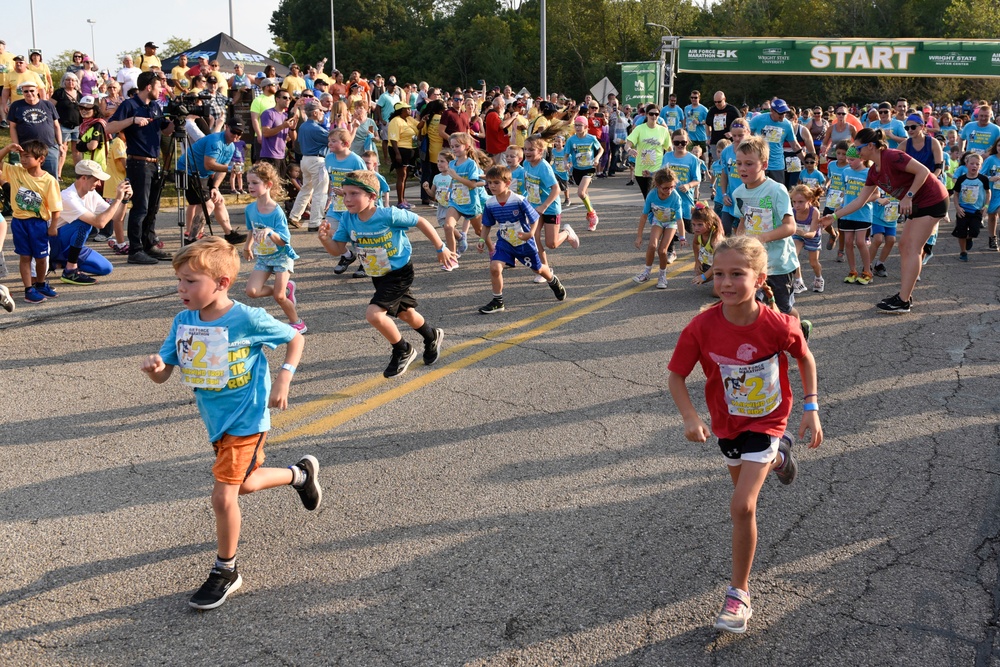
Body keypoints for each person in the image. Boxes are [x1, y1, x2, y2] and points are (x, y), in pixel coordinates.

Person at [140, 236, 320, 611]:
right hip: (216, 422)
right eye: (179, 280)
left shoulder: (246, 318)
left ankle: (226, 570)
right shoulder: (183, 320)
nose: (181, 289)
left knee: (223, 496)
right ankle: (299, 474)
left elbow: (294, 338)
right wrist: (156, 369)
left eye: (191, 281)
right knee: (247, 484)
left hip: (248, 418)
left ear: (221, 283)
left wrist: (284, 377)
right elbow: (165, 374)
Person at [667, 234, 822, 635]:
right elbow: (676, 376)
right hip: (727, 423)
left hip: (768, 419)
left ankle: (739, 593)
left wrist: (811, 406)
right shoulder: (701, 328)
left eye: (737, 274)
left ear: (760, 277)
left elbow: (804, 356)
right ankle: (779, 457)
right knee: (743, 497)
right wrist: (689, 417)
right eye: (718, 274)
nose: (726, 283)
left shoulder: (777, 324)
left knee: (742, 506)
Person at [317, 170, 456, 378]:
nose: (347, 199)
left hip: (399, 271)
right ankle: (431, 335)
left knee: (374, 314)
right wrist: (325, 239)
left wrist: (440, 247)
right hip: (378, 273)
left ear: (372, 196)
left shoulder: (387, 214)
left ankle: (403, 349)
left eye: (354, 194)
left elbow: (421, 221)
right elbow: (338, 249)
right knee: (405, 313)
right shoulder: (347, 219)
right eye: (344, 194)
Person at [821, 128, 950, 313]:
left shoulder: (893, 156)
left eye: (858, 149)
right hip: (917, 203)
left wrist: (909, 196)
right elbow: (859, 201)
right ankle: (904, 296)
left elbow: (923, 171)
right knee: (905, 246)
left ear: (871, 146)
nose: (856, 152)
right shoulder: (874, 171)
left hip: (933, 199)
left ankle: (904, 300)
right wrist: (833, 217)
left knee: (912, 248)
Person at [733, 136, 808, 336]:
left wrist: (761, 238)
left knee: (783, 308)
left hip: (779, 263)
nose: (742, 168)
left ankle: (799, 334)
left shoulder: (776, 190)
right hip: (754, 263)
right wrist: (737, 246)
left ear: (764, 164)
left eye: (749, 164)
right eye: (739, 163)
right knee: (754, 305)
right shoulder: (739, 192)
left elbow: (790, 227)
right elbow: (742, 222)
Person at [475, 164, 567, 313]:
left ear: (507, 183)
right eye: (490, 182)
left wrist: (530, 234)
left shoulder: (518, 200)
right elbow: (486, 225)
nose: (492, 186)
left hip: (523, 242)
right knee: (495, 267)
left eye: (496, 182)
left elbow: (534, 218)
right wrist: (481, 240)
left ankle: (553, 280)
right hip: (505, 242)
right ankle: (498, 301)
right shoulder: (490, 203)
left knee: (538, 269)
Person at [105, 71, 175, 264]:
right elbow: (109, 128)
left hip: (154, 163)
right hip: (138, 162)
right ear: (149, 87)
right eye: (159, 86)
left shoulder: (154, 106)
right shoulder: (130, 105)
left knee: (153, 207)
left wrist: (178, 118)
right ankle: (135, 250)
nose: (161, 89)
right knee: (141, 208)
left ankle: (148, 244)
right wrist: (132, 120)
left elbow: (166, 129)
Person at [242, 162, 306, 332]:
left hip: (281, 257)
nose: (250, 186)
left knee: (279, 296)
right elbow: (251, 229)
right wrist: (247, 246)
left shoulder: (276, 211)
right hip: (264, 256)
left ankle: (298, 323)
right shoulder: (250, 209)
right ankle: (287, 288)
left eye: (255, 183)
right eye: (248, 183)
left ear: (268, 184)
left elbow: (284, 242)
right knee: (251, 291)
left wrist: (270, 231)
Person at [1, 139, 63, 304]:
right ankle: (29, 289)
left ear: (40, 159)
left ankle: (41, 284)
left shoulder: (49, 181)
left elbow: (56, 208)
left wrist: (53, 226)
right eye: (21, 156)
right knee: (25, 257)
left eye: (27, 156)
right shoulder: (16, 172)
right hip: (20, 222)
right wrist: (7, 148)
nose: (23, 160)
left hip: (38, 224)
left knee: (42, 258)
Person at [51, 160, 131, 285]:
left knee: (105, 268)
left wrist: (124, 200)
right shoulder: (68, 197)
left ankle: (60, 262)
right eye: (96, 180)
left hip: (70, 245)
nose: (99, 184)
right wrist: (118, 199)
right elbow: (99, 223)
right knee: (85, 223)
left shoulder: (92, 194)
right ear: (83, 178)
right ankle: (70, 270)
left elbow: (117, 217)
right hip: (54, 243)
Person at [176, 119, 249, 245]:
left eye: (239, 133)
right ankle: (191, 239)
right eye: (234, 131)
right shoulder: (216, 141)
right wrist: (232, 168)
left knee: (219, 200)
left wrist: (215, 187)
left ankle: (229, 234)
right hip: (188, 172)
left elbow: (222, 170)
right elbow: (209, 164)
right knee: (207, 205)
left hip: (204, 174)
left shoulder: (230, 146)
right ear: (226, 127)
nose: (236, 135)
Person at [320, 127, 367, 268]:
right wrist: (328, 199)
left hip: (353, 206)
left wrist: (346, 193)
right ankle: (347, 255)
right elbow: (332, 180)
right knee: (329, 233)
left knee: (357, 238)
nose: (330, 144)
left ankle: (364, 264)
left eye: (334, 141)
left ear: (346, 143)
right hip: (336, 206)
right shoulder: (328, 159)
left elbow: (365, 183)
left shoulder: (356, 161)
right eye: (329, 141)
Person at [633, 168, 684, 288]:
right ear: (657, 185)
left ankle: (662, 275)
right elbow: (644, 216)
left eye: (672, 187)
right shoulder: (652, 195)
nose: (669, 190)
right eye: (665, 188)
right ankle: (646, 272)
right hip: (658, 221)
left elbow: (679, 219)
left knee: (662, 250)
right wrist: (639, 236)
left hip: (671, 223)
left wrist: (682, 237)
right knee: (652, 246)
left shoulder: (675, 197)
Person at [442, 132, 487, 264]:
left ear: (466, 146)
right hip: (455, 201)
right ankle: (453, 258)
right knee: (448, 226)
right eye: (452, 146)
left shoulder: (471, 164)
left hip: (470, 202)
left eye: (457, 146)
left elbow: (473, 184)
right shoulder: (452, 164)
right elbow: (453, 181)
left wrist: (456, 177)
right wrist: (449, 190)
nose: (454, 149)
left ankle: (492, 249)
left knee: (479, 231)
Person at [6, 79, 61, 178]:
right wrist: (16, 145)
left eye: (32, 90)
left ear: (37, 91)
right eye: (26, 91)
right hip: (27, 149)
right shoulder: (16, 106)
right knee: (28, 178)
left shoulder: (48, 104)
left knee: (51, 177)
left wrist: (60, 144)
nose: (29, 93)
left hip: (49, 147)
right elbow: (12, 127)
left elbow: (56, 125)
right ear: (22, 92)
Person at [288, 100, 330, 230]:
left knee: (306, 188)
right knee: (320, 192)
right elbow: (331, 138)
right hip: (317, 160)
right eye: (321, 111)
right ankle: (315, 222)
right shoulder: (316, 128)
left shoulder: (304, 126)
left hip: (305, 159)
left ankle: (294, 215)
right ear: (315, 113)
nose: (323, 113)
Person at [838, 146, 874, 285]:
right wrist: (839, 205)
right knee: (848, 242)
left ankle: (867, 271)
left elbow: (875, 194)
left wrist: (861, 201)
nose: (849, 162)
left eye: (852, 159)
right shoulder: (846, 171)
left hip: (862, 213)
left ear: (862, 158)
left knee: (860, 242)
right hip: (847, 213)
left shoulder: (868, 173)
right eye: (848, 159)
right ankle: (852, 271)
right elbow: (843, 191)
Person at [748, 99, 801, 184]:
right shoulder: (758, 119)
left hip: (777, 166)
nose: (783, 116)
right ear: (772, 111)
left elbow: (795, 145)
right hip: (759, 164)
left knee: (776, 193)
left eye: (784, 113)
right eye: (780, 113)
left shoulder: (787, 124)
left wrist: (807, 162)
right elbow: (745, 135)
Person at [950, 152, 990, 262]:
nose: (974, 166)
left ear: (980, 166)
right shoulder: (961, 179)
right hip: (962, 209)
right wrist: (957, 207)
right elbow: (956, 194)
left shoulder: (983, 179)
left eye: (977, 164)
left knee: (975, 231)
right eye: (972, 163)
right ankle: (963, 252)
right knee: (961, 232)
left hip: (976, 210)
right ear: (966, 165)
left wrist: (986, 206)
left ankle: (969, 238)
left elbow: (988, 192)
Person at [626, 105, 671, 200]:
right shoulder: (639, 129)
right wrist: (630, 150)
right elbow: (627, 144)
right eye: (651, 114)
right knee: (647, 197)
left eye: (656, 114)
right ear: (646, 114)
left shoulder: (663, 130)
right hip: (641, 170)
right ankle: (652, 214)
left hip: (657, 170)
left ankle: (653, 214)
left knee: (654, 197)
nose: (654, 116)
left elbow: (669, 149)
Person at [565, 116, 603, 230]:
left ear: (586, 126)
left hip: (589, 168)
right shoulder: (571, 140)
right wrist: (566, 162)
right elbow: (566, 155)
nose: (577, 127)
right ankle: (591, 217)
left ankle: (592, 215)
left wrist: (596, 158)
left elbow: (601, 149)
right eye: (575, 125)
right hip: (577, 169)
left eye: (580, 125)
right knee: (585, 194)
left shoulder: (591, 138)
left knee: (581, 193)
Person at [788, 184, 824, 294]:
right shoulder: (792, 211)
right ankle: (799, 281)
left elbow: (812, 233)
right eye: (794, 202)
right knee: (792, 255)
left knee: (813, 262)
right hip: (798, 235)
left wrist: (803, 232)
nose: (796, 205)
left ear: (810, 200)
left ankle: (819, 278)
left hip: (811, 237)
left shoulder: (814, 212)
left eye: (800, 202)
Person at [387, 101, 419, 208]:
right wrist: (397, 154)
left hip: (409, 149)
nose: (410, 110)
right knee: (401, 175)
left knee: (405, 176)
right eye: (407, 109)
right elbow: (393, 139)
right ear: (401, 110)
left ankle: (403, 199)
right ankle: (400, 201)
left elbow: (419, 126)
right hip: (399, 149)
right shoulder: (395, 121)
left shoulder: (409, 119)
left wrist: (424, 120)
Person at [690, 202, 725, 296]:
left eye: (700, 225)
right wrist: (697, 262)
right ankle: (716, 277)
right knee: (698, 274)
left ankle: (730, 280)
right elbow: (695, 243)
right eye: (693, 224)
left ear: (709, 224)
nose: (696, 228)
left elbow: (720, 261)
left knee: (716, 294)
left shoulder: (716, 239)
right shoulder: (699, 233)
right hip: (717, 264)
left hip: (727, 265)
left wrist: (704, 277)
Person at [706, 91, 740, 164]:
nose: (717, 104)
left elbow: (741, 123)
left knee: (729, 163)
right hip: (715, 141)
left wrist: (732, 133)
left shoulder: (732, 110)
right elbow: (707, 123)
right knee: (718, 164)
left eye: (719, 102)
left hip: (729, 142)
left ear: (724, 99)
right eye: (715, 102)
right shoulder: (712, 110)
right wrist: (708, 137)